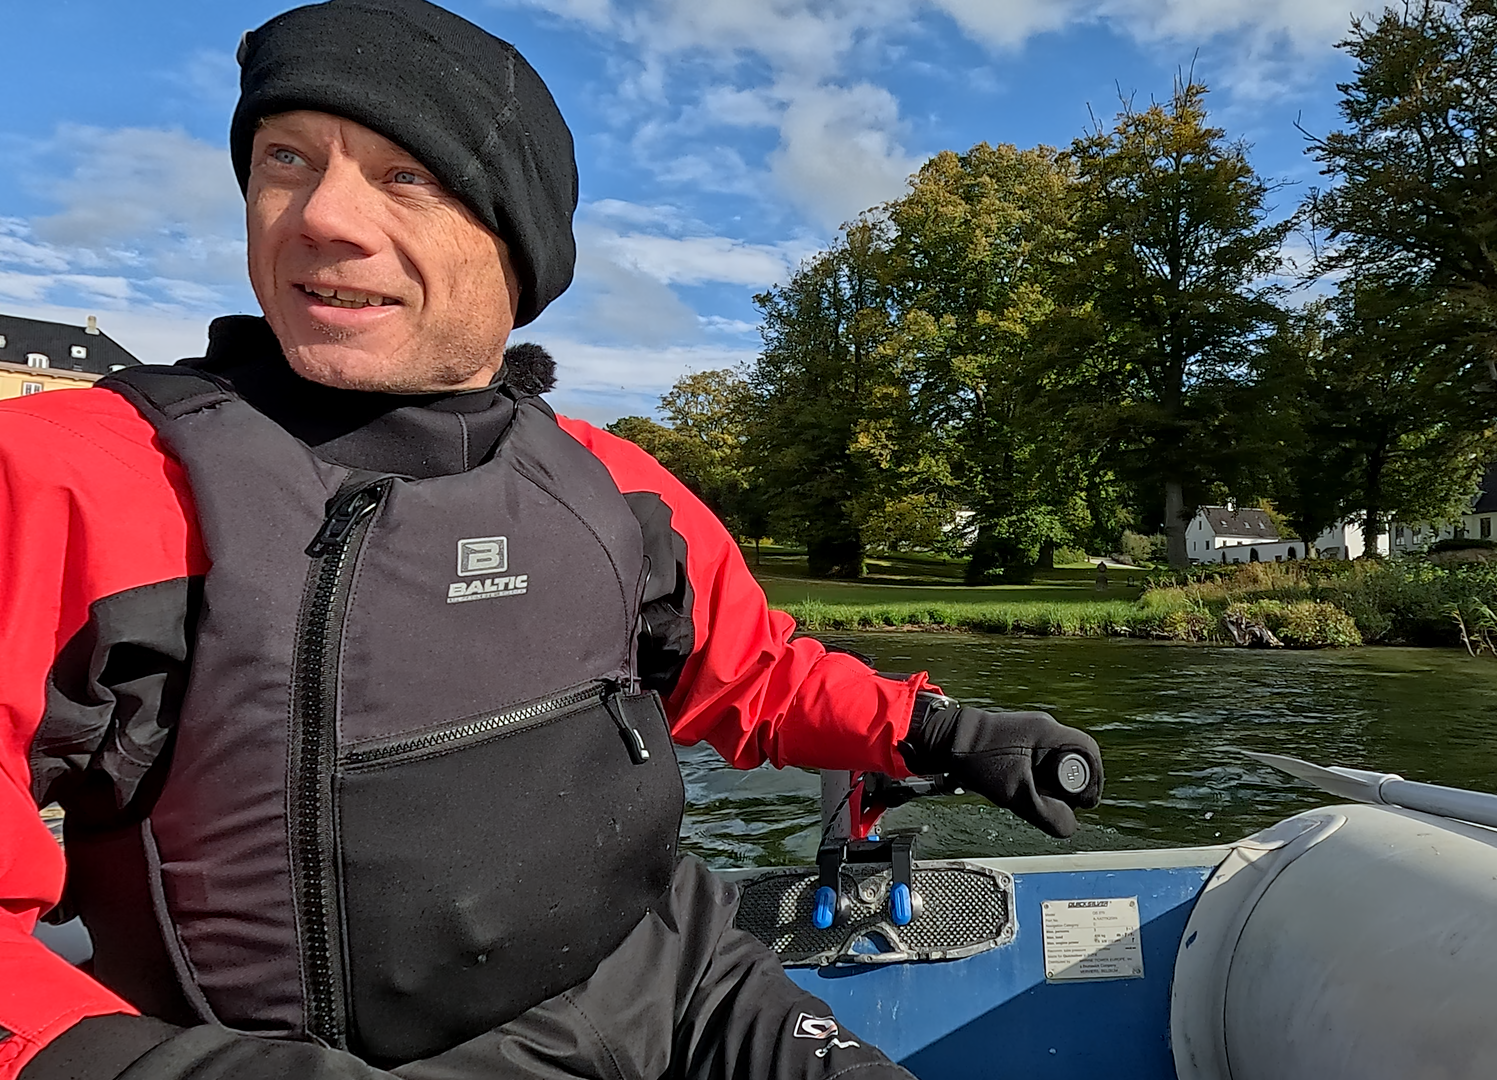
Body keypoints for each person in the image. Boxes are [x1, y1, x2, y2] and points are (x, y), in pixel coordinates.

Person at [0, 2, 1103, 1078]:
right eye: (286, 158)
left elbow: (753, 679)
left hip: (678, 979)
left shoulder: (610, 483)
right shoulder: (78, 478)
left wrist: (946, 728)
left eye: (405, 175)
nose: (321, 215)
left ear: (517, 248)